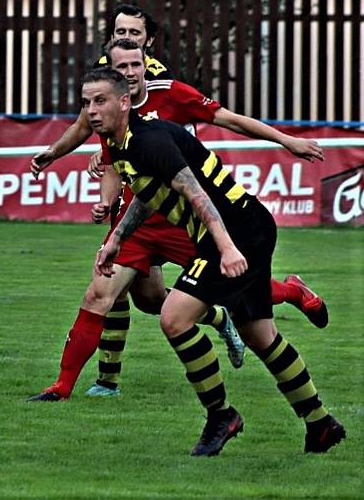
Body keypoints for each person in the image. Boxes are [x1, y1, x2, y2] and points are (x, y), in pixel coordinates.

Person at [27, 39, 327, 402]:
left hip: (188, 219)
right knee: (117, 296)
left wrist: (284, 140)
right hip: (139, 217)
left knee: (223, 290)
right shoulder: (101, 106)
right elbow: (111, 160)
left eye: (136, 64)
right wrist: (93, 191)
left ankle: (288, 295)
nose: (130, 72)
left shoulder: (168, 97)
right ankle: (70, 387)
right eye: (121, 66)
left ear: (146, 61)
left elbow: (227, 121)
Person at [87, 66, 344, 455]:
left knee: (174, 318)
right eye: (86, 102)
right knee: (261, 336)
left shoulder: (147, 141)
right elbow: (148, 193)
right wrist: (117, 240)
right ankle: (321, 423)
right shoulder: (126, 144)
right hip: (244, 227)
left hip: (237, 231)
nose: (91, 110)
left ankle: (221, 416)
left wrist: (225, 247)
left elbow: (197, 195)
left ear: (124, 103)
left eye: (100, 101)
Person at [94, 3, 171, 80]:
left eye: (134, 33)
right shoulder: (101, 66)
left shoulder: (158, 74)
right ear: (112, 37)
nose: (126, 37)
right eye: (121, 32)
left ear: (149, 40)